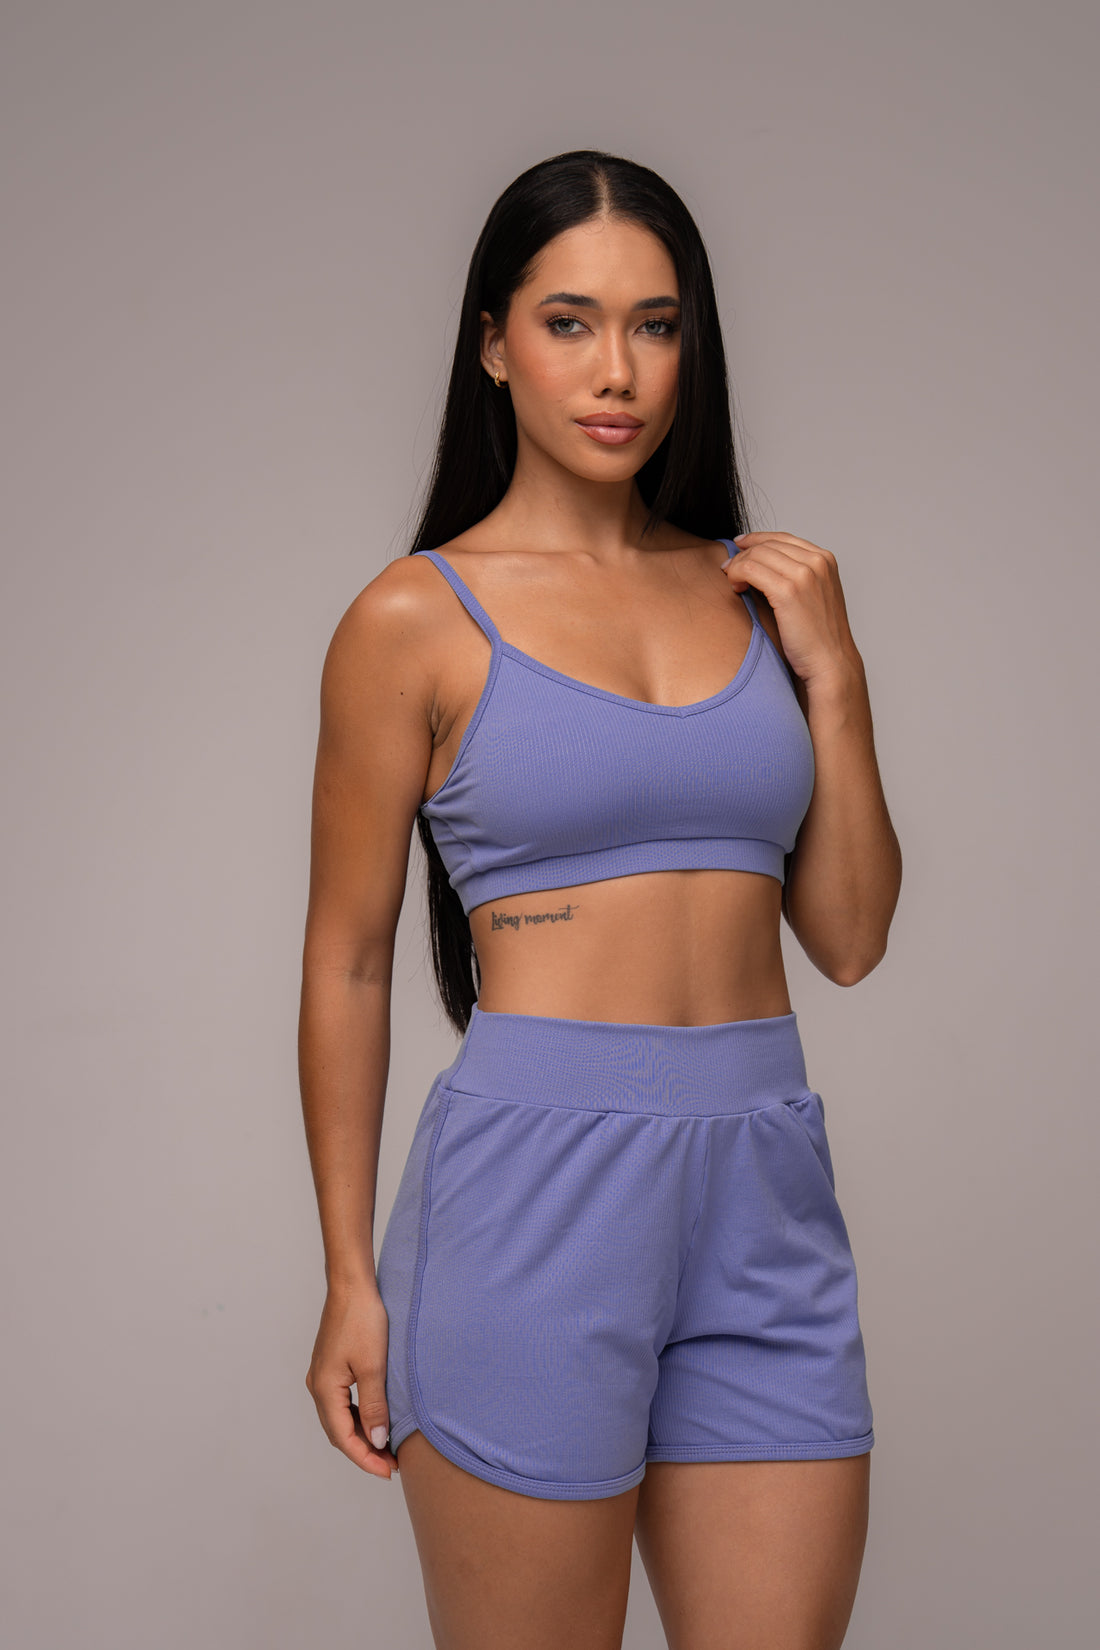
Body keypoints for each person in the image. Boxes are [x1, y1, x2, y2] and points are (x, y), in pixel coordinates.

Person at [299, 148, 902, 1650]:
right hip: (532, 1192)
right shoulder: (413, 616)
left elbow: (847, 939)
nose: (617, 370)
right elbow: (350, 963)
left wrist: (836, 676)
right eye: (568, 322)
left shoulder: (760, 597)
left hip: (764, 1186)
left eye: (655, 324)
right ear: (494, 346)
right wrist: (350, 1278)